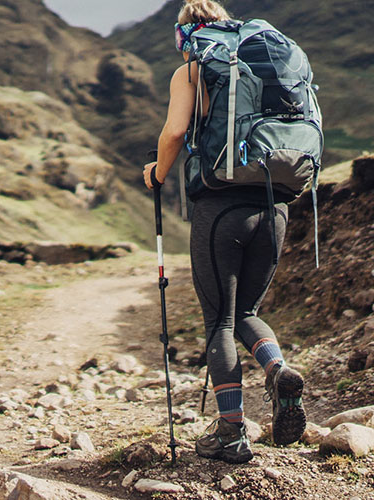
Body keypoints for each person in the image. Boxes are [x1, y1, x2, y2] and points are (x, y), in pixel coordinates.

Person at [143, 0, 307, 463]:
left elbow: (175, 133)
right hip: (275, 204)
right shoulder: (269, 55)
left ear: (185, 34)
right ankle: (278, 370)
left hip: (221, 206)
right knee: (249, 310)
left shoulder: (193, 67)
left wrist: (157, 173)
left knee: (220, 321)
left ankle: (231, 433)